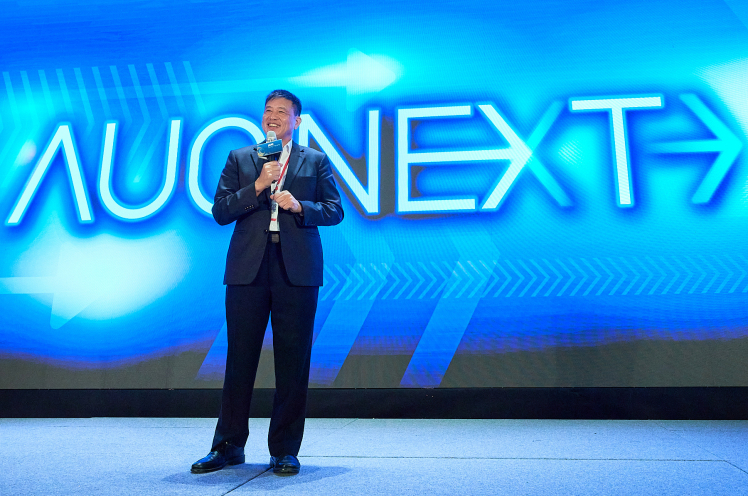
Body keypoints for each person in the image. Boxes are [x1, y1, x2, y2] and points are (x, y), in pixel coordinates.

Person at [191, 89, 344, 475]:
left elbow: (334, 210)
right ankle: (228, 446)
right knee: (239, 358)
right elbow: (220, 211)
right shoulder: (241, 158)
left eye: (281, 112)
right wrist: (258, 185)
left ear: (297, 120)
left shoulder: (316, 161)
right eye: (268, 111)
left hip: (297, 270)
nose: (272, 116)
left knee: (293, 361)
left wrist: (300, 206)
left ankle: (285, 449)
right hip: (249, 268)